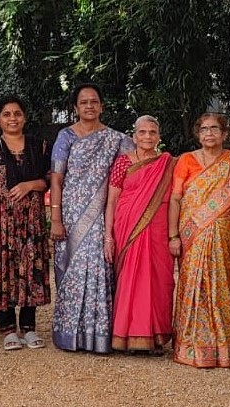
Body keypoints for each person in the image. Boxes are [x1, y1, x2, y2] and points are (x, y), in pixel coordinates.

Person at [51, 83, 134, 353]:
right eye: (83, 102)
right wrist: (55, 217)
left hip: (101, 216)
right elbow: (57, 178)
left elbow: (135, 171)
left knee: (99, 270)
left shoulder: (117, 139)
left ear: (101, 106)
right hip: (70, 213)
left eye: (94, 101)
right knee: (72, 270)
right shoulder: (66, 137)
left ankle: (97, 335)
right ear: (75, 107)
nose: (89, 106)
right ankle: (69, 334)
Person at [169, 113, 230, 368]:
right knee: (192, 284)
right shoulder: (186, 160)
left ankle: (222, 347)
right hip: (192, 234)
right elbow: (176, 199)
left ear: (224, 134)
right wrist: (173, 235)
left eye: (214, 129)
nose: (209, 134)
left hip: (227, 233)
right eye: (204, 129)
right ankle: (188, 346)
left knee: (221, 288)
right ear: (198, 134)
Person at [0, 96, 52, 351]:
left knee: (30, 269)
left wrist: (28, 185)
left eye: (17, 113)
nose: (12, 118)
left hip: (31, 223)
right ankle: (7, 328)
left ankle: (29, 328)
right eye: (6, 114)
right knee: (4, 272)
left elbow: (48, 181)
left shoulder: (38, 146)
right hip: (1, 224)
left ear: (24, 117)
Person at [104, 115, 175, 355]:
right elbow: (112, 200)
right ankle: (127, 335)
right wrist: (108, 236)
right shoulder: (123, 162)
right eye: (142, 132)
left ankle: (155, 336)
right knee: (131, 279)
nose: (147, 137)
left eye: (152, 133)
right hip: (127, 227)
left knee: (158, 280)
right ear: (133, 136)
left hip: (158, 230)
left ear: (159, 137)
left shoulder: (167, 164)